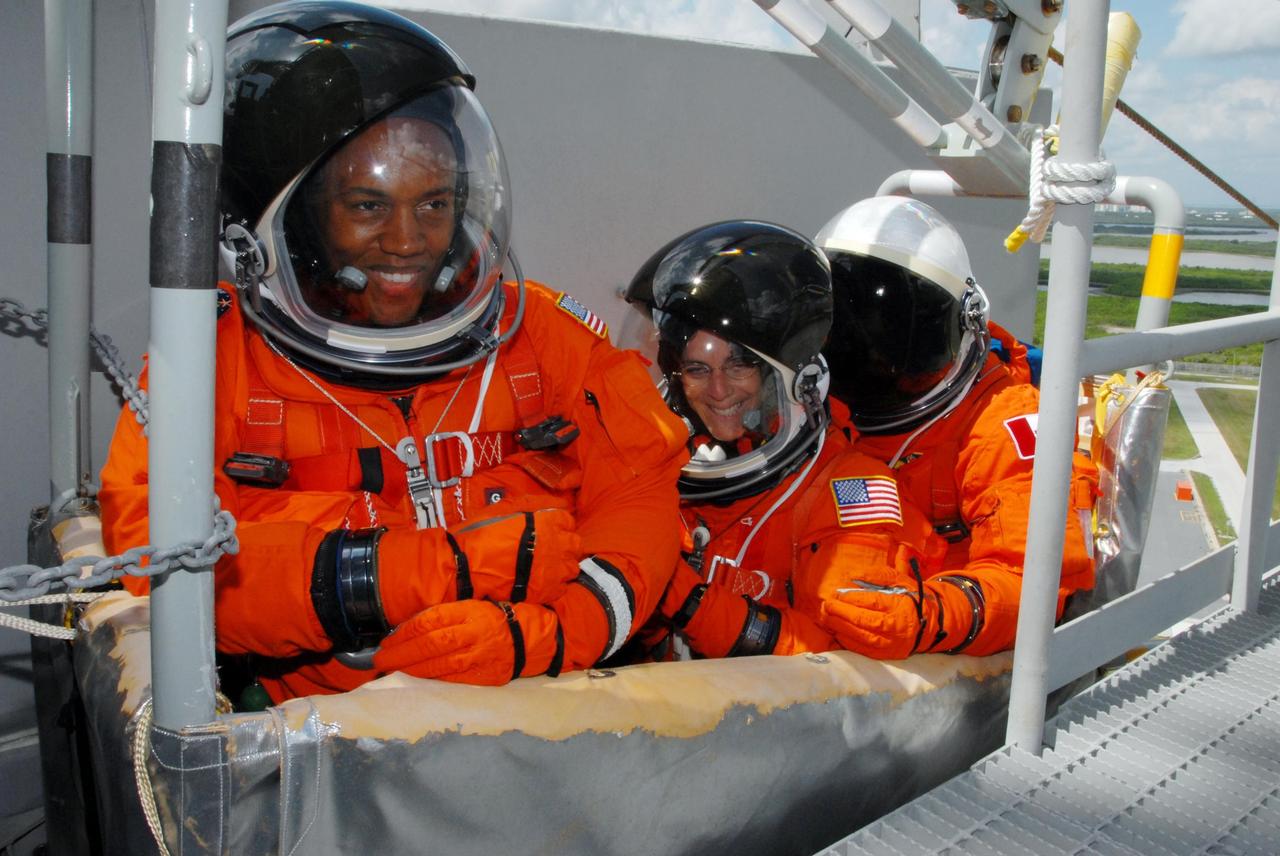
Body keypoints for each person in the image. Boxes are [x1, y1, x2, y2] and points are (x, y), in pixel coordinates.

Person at [98, 1, 688, 701]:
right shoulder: (212, 365)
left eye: (435, 204)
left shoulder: (540, 335)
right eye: (368, 206)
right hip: (328, 747)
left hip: (544, 707)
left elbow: (643, 494)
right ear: (297, 219)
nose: (409, 242)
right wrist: (433, 572)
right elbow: (157, 559)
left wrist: (558, 633)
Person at [623, 220, 952, 660]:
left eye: (739, 366)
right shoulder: (666, 476)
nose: (719, 391)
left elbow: (840, 658)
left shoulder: (851, 490)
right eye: (698, 369)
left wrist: (691, 604)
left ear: (795, 382)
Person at [814, 196, 1098, 658]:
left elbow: (1031, 581)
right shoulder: (821, 405)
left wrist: (930, 616)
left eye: (896, 352)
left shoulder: (1001, 425)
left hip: (934, 647)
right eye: (852, 343)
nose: (878, 367)